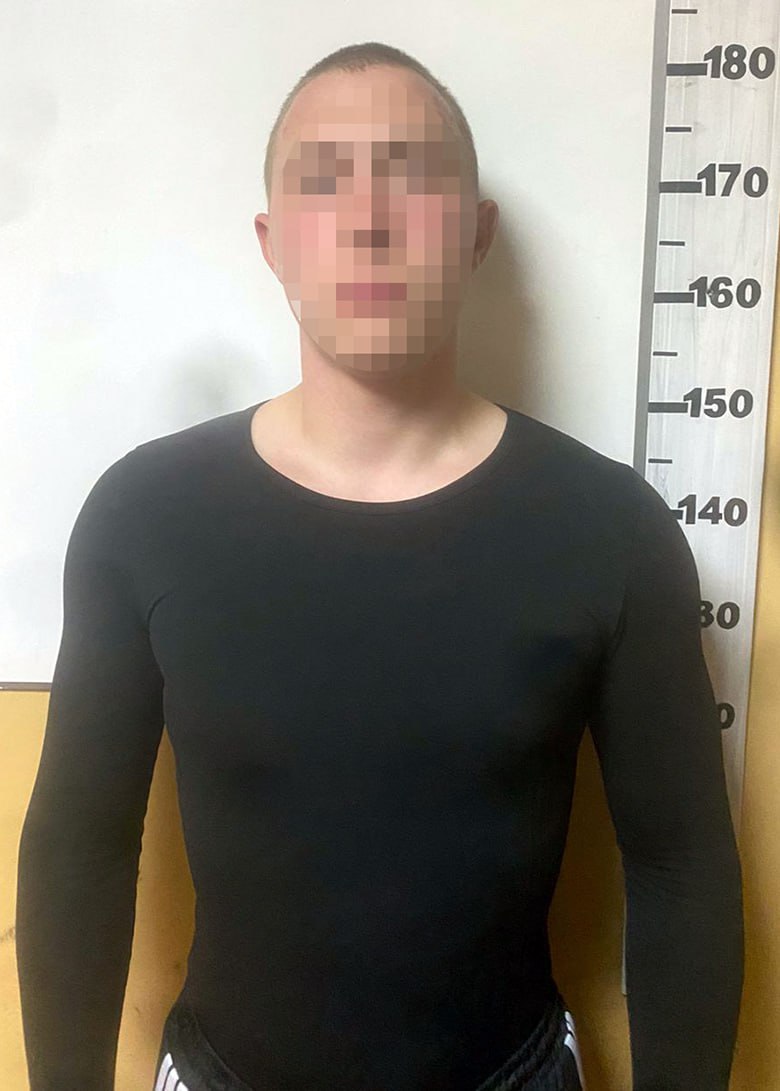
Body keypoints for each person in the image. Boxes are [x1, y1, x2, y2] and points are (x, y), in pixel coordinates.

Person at [16, 40, 743, 1091]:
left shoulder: (610, 528)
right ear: (272, 242)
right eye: (322, 179)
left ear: (476, 233)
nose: (367, 219)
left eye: (412, 174)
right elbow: (78, 849)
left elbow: (682, 867)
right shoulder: (144, 514)